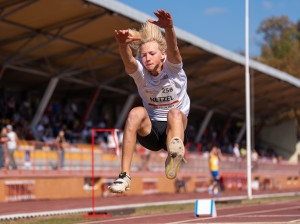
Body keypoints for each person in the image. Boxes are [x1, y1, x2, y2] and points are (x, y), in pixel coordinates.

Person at [109, 9, 190, 193]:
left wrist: (169, 28)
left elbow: (174, 49)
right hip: (151, 132)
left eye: (152, 54)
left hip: (175, 129)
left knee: (174, 113)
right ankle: (124, 176)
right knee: (135, 112)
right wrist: (123, 45)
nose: (147, 59)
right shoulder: (141, 73)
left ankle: (174, 153)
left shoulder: (174, 69)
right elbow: (129, 61)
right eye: (144, 55)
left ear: (163, 55)